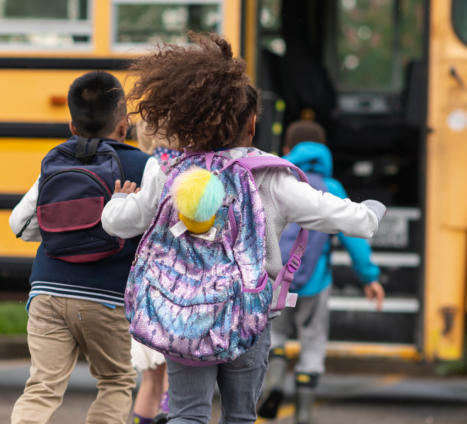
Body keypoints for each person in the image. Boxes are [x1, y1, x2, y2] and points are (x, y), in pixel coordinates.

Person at [101, 32, 386, 424]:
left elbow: (121, 222)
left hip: (182, 316)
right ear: (252, 125)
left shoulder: (166, 170)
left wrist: (116, 203)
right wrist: (370, 214)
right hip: (248, 316)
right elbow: (331, 212)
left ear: (188, 121)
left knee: (187, 412)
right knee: (239, 415)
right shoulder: (270, 176)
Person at [9, 71, 152, 424]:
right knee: (116, 380)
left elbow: (20, 225)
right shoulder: (143, 166)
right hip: (107, 295)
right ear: (124, 125)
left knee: (42, 386)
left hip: (46, 290)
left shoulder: (55, 160)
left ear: (72, 126)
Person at [257, 121, 385, 424]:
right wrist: (369, 277)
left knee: (276, 335)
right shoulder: (333, 187)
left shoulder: (279, 182)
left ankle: (274, 385)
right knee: (313, 343)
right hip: (315, 282)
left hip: (276, 281)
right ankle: (303, 415)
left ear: (288, 151)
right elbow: (355, 240)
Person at [130, 119, 174, 424]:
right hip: (178, 285)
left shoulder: (142, 168)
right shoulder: (187, 168)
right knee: (177, 380)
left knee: (150, 379)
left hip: (145, 284)